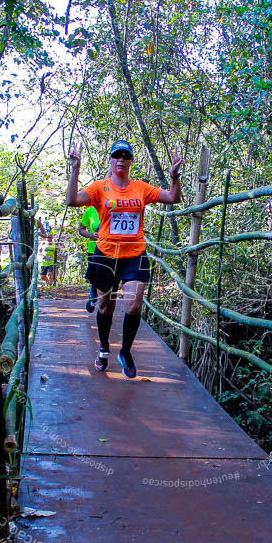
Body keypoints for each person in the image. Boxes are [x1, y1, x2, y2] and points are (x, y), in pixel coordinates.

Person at [65, 139, 184, 377]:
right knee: (106, 307)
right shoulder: (99, 187)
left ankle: (126, 352)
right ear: (111, 160)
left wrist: (174, 176)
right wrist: (76, 169)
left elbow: (173, 198)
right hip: (105, 255)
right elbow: (72, 201)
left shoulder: (140, 187)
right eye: (117, 155)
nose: (121, 159)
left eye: (125, 156)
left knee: (134, 304)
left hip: (134, 254)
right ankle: (104, 348)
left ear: (131, 161)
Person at [77, 205, 100, 312]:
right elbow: (81, 229)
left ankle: (100, 298)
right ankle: (93, 297)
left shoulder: (113, 207)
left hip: (112, 249)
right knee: (94, 277)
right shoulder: (90, 211)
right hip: (93, 250)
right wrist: (91, 235)